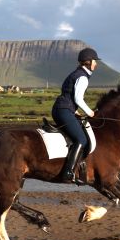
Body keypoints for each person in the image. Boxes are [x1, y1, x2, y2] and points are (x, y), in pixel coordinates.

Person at [51, 48, 99, 183]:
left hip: (63, 109)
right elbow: (78, 98)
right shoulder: (82, 77)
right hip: (63, 110)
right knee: (82, 140)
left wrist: (75, 111)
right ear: (89, 62)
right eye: (95, 61)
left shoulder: (77, 74)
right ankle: (68, 172)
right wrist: (90, 112)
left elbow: (70, 96)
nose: (96, 64)